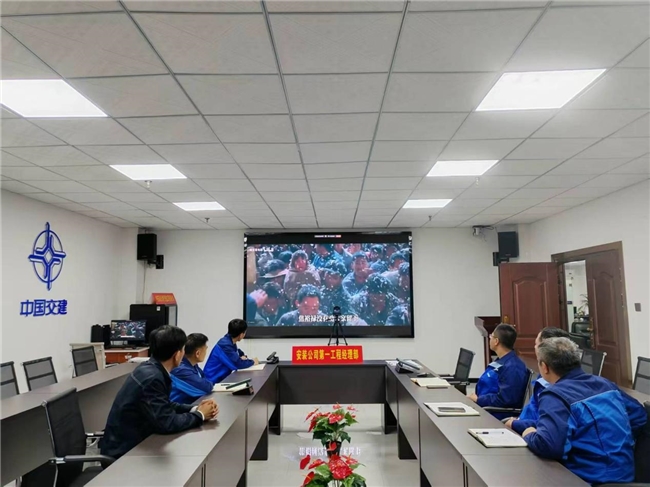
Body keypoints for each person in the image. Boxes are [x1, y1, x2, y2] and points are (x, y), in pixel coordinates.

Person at [522, 337, 646, 484]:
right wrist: (616, 440)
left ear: (545, 367)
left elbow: (549, 446)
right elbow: (639, 416)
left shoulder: (555, 395)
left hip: (587, 479)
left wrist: (529, 434)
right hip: (625, 475)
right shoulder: (605, 384)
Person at [100, 326, 218, 459]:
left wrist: (195, 409)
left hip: (134, 444)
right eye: (183, 350)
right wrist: (200, 415)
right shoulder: (153, 378)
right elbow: (167, 423)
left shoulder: (150, 369)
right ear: (177, 355)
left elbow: (164, 404)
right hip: (123, 455)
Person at [505, 327, 569, 434]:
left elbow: (545, 424)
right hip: (523, 424)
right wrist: (518, 420)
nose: (534, 348)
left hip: (531, 433)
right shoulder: (543, 375)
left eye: (536, 344)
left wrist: (516, 424)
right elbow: (533, 408)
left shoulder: (557, 387)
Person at [468, 324, 529, 419]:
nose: (490, 338)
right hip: (483, 407)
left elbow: (506, 399)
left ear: (496, 341)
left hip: (494, 414)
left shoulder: (513, 367)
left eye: (491, 336)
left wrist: (479, 400)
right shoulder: (500, 360)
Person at [204, 319, 258, 383]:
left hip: (219, 380)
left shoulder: (229, 341)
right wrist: (252, 362)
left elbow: (238, 353)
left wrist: (242, 357)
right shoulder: (225, 345)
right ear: (241, 335)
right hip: (211, 381)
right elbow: (238, 364)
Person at [170, 333, 214, 404]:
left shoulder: (192, 365)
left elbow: (205, 380)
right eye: (205, 349)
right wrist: (208, 384)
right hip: (178, 408)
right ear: (197, 353)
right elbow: (206, 387)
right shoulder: (181, 370)